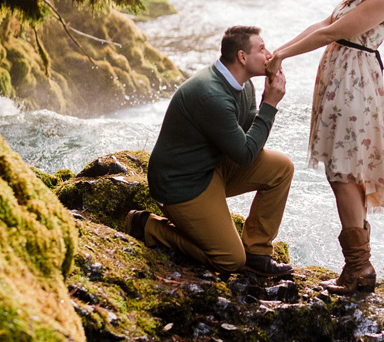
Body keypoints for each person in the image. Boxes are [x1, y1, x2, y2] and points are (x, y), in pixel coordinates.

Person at [266, 0, 384, 295]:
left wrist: (283, 56)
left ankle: (359, 268)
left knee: (343, 172)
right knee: (343, 171)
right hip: (344, 80)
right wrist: (279, 51)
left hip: (354, 86)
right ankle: (357, 269)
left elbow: (332, 33)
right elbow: (325, 23)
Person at [126, 26, 295, 277]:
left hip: (211, 167)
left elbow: (247, 132)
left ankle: (258, 252)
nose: (269, 54)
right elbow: (245, 155)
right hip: (181, 184)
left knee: (282, 168)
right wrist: (270, 104)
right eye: (262, 49)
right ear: (242, 57)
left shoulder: (242, 85)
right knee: (230, 260)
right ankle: (149, 226)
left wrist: (265, 102)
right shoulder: (212, 95)